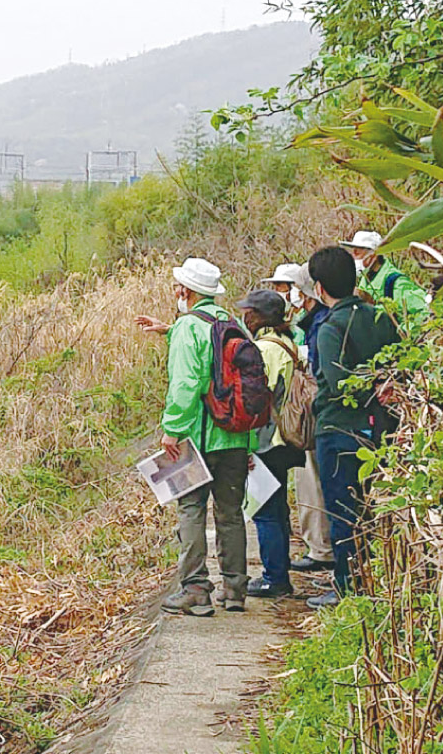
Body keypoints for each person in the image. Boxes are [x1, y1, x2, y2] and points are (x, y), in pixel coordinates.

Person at [135, 257, 253, 616]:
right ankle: (235, 590)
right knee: (231, 514)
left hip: (199, 440)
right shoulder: (232, 324)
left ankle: (196, 589)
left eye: (177, 288)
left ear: (186, 291)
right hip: (235, 437)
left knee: (191, 509)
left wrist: (172, 430)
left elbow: (186, 383)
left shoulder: (189, 327)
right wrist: (168, 329)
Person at [305, 247, 400, 609]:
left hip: (339, 428)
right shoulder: (379, 318)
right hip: (381, 426)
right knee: (370, 507)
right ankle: (376, 579)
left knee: (343, 510)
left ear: (319, 287)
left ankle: (348, 588)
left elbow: (337, 381)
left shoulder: (331, 327)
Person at [236, 289, 306, 599]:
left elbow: (257, 398)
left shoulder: (264, 349)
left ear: (259, 316)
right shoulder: (287, 343)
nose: (244, 317)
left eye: (248, 312)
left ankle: (274, 577)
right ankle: (279, 570)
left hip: (267, 440)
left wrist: (247, 443)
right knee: (277, 509)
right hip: (286, 440)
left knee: (264, 510)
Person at [288, 264, 335, 574]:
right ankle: (322, 549)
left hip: (322, 418)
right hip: (328, 417)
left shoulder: (321, 326)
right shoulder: (314, 323)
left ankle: (323, 551)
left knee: (314, 482)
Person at [341, 230, 429, 317]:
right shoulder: (366, 278)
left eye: (357, 253)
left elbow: (426, 310)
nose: (353, 257)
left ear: (373, 255)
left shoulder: (396, 283)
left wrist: (401, 329)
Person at [260, 264, 306, 345]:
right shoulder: (280, 315)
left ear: (294, 287)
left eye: (279, 285)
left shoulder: (307, 317)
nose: (276, 289)